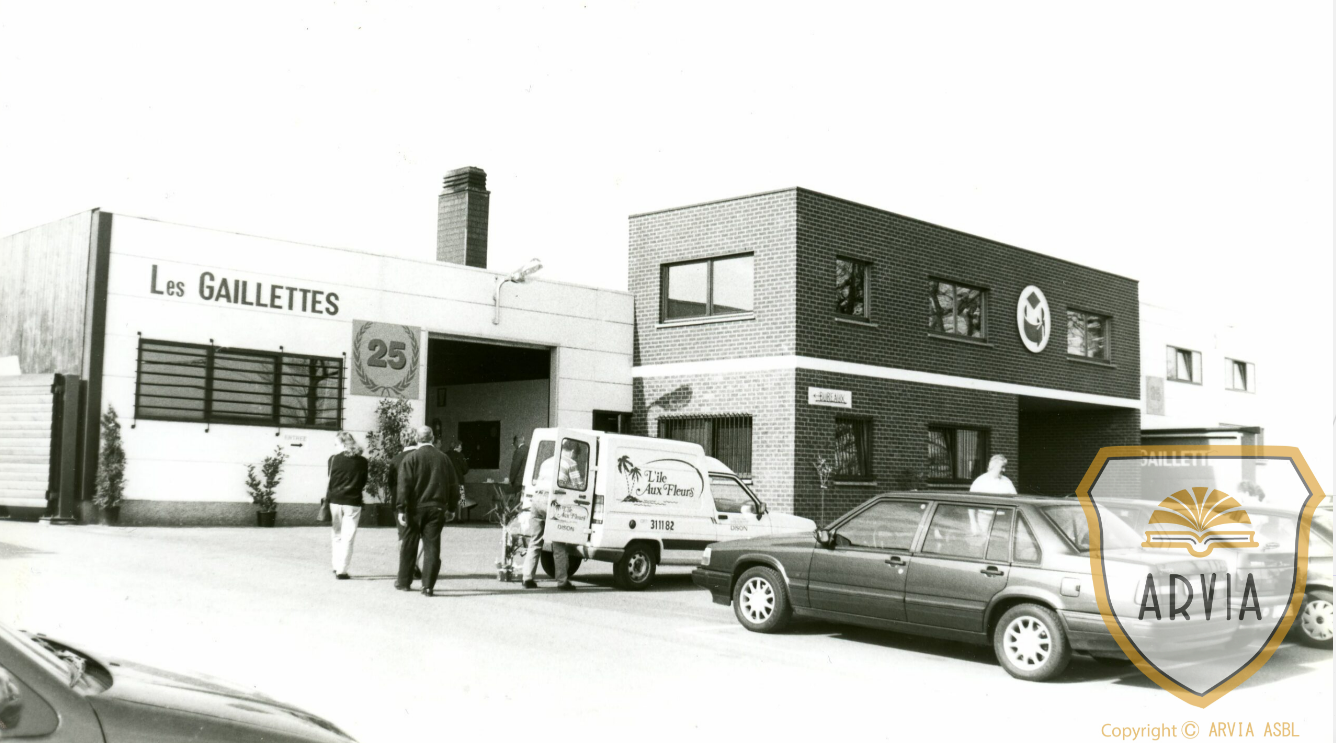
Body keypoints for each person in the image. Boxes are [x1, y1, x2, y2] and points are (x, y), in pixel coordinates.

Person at [396, 426, 460, 597]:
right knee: (432, 546)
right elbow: (454, 486)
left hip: (414, 508)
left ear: (417, 439)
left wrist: (401, 508)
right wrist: (452, 508)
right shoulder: (444, 459)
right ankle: (428, 586)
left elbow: (404, 486)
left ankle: (404, 582)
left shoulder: (411, 458)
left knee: (409, 544)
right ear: (432, 438)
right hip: (436, 508)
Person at [520, 439, 581, 591]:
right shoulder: (570, 463)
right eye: (576, 455)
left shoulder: (547, 462)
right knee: (559, 543)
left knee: (535, 541)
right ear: (572, 452)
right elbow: (579, 486)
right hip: (552, 501)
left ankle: (527, 578)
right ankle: (562, 581)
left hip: (537, 499)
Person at [326, 432, 369, 579]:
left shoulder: (332, 459)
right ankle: (342, 570)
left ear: (343, 444)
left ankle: (335, 564)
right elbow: (363, 482)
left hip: (335, 500)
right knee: (348, 536)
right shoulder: (363, 461)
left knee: (336, 534)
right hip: (353, 501)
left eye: (336, 444)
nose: (335, 447)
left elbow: (330, 480)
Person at [388, 427, 423, 579]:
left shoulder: (396, 459)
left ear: (402, 440)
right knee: (421, 535)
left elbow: (390, 483)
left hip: (399, 502)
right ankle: (414, 563)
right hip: (419, 501)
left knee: (402, 535)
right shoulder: (421, 457)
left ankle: (405, 567)